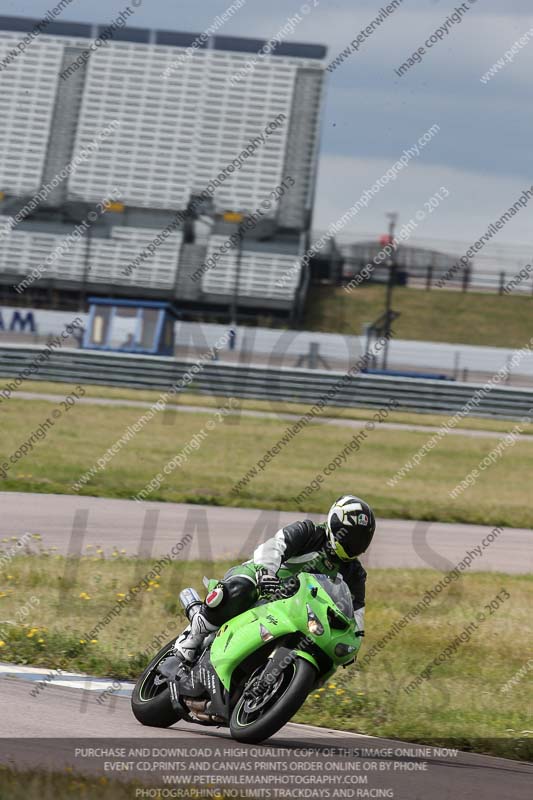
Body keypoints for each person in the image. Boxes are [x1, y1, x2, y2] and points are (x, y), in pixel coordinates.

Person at [174, 495, 375, 664]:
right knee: (240, 589)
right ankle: (194, 634)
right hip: (264, 584)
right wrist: (265, 571)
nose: (354, 544)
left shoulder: (355, 574)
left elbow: (356, 615)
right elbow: (274, 547)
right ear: (335, 524)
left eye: (360, 540)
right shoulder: (309, 532)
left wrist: (352, 644)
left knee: (321, 653)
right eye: (350, 536)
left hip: (296, 611)